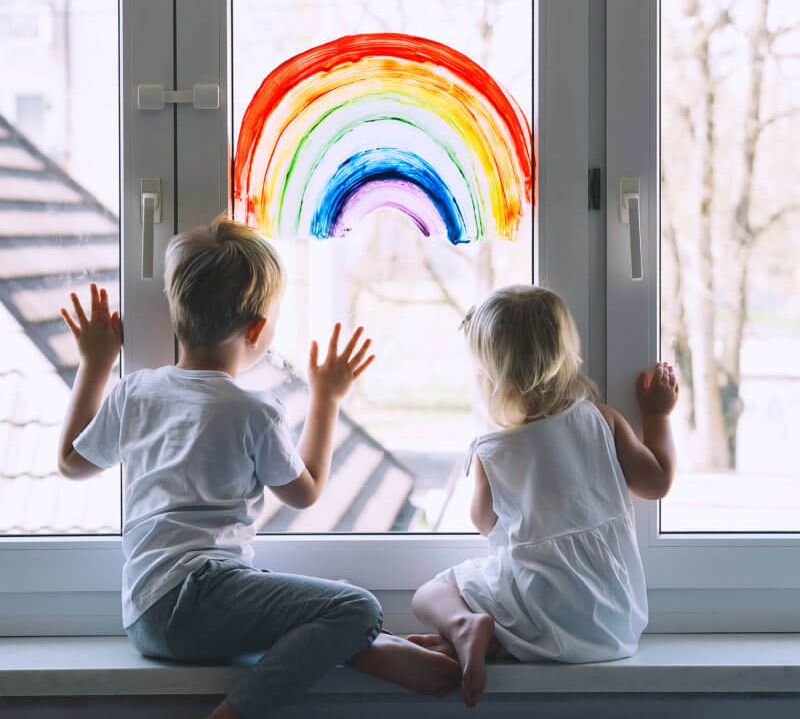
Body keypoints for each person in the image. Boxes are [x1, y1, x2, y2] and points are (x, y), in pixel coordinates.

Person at [57, 216, 461, 719]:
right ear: (256, 329)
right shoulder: (253, 409)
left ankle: (370, 650)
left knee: (321, 611)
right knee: (356, 606)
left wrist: (95, 363)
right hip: (199, 597)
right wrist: (327, 398)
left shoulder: (136, 390)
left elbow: (71, 462)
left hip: (144, 614)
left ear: (177, 313)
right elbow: (305, 492)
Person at [409, 285, 678, 708]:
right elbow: (657, 481)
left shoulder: (491, 450)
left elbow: (484, 523)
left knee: (430, 593)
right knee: (524, 590)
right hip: (615, 625)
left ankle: (465, 628)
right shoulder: (601, 420)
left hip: (539, 612)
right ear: (567, 355)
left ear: (489, 377)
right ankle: (491, 639)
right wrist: (657, 415)